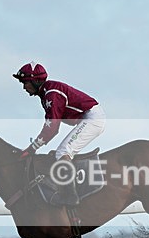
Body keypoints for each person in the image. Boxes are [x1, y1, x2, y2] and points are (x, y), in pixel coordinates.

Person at [13, 62, 105, 204]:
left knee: (62, 152)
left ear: (36, 81)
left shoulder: (52, 94)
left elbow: (52, 129)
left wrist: (32, 148)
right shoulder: (47, 93)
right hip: (87, 117)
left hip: (92, 118)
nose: (24, 87)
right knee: (61, 152)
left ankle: (71, 196)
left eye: (26, 82)